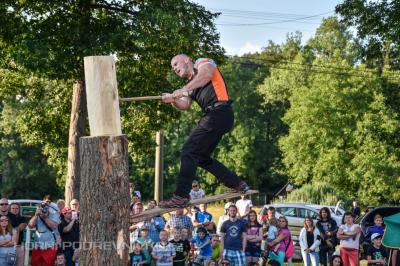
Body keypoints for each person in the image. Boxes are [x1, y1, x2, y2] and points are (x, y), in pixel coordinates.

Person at [159, 54, 249, 208]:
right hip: (215, 117)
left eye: (175, 64)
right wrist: (172, 100)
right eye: (172, 67)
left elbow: (206, 75)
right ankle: (237, 183)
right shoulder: (190, 84)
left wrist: (182, 89)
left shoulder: (202, 63)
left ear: (187, 60)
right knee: (200, 157)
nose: (174, 69)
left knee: (188, 151)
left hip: (219, 112)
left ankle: (180, 196)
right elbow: (185, 105)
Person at [28, 195, 60, 266]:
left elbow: (54, 226)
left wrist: (45, 217)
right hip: (37, 245)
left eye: (49, 202)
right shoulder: (38, 211)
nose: (46, 204)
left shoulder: (54, 213)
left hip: (50, 245)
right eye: (45, 202)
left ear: (51, 204)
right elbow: (30, 225)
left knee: (49, 264)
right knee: (35, 263)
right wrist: (36, 215)